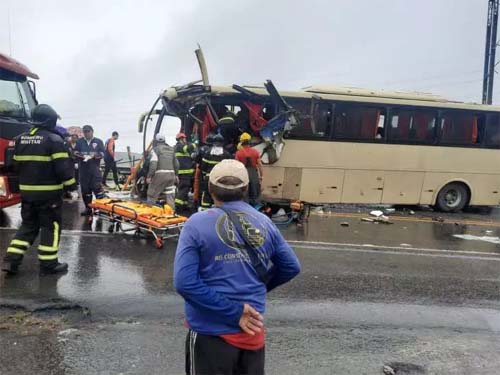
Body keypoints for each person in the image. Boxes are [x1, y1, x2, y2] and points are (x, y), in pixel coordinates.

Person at [174, 159, 301, 375]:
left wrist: (234, 312)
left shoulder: (196, 223)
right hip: (252, 333)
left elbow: (184, 283)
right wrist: (257, 288)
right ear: (245, 189)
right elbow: (290, 266)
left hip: (210, 335)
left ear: (211, 189)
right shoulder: (264, 221)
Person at [1, 104, 77, 276]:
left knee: (28, 226)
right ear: (50, 120)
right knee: (51, 227)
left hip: (27, 193)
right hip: (49, 195)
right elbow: (64, 170)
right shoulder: (55, 140)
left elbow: (12, 166)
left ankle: (11, 261)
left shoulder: (20, 139)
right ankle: (48, 264)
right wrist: (72, 187)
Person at [74, 125, 106, 216]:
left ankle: (101, 209)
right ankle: (88, 208)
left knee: (98, 189)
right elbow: (75, 152)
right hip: (83, 170)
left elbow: (103, 153)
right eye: (85, 132)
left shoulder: (98, 141)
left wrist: (94, 156)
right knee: (85, 190)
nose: (86, 133)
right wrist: (82, 156)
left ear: (92, 131)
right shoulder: (79, 142)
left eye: (88, 131)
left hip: (95, 169)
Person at [199, 134, 231, 210]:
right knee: (219, 195)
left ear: (213, 143)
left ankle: (204, 210)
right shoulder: (226, 154)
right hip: (221, 179)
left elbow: (203, 167)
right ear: (222, 143)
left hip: (209, 178)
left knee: (206, 195)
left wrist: (204, 176)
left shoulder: (207, 153)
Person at [146, 133, 177, 208]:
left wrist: (149, 176)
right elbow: (176, 164)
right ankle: (171, 213)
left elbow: (153, 164)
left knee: (151, 194)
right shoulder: (171, 150)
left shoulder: (155, 150)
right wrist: (176, 175)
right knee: (169, 195)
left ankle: (149, 213)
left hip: (160, 175)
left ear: (156, 141)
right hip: (171, 175)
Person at [235, 132, 263, 206]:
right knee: (255, 192)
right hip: (253, 173)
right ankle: (255, 207)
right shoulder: (255, 151)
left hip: (243, 173)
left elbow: (236, 166)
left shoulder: (238, 153)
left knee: (244, 193)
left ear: (241, 142)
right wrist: (261, 176)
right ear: (249, 141)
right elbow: (259, 164)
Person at [174, 132, 196, 213]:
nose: (185, 140)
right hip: (184, 173)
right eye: (184, 139)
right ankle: (178, 206)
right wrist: (195, 143)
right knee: (184, 188)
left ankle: (184, 204)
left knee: (184, 189)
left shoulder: (179, 147)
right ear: (181, 139)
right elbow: (188, 148)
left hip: (185, 173)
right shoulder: (179, 146)